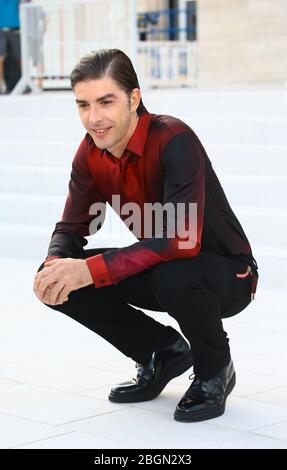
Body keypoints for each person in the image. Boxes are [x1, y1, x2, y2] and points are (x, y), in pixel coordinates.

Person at [33, 49, 259, 423]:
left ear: (134, 98)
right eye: (83, 105)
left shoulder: (174, 138)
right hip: (161, 267)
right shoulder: (91, 152)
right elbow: (72, 228)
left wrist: (90, 270)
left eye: (106, 102)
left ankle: (215, 369)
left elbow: (181, 240)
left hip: (228, 275)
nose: (94, 118)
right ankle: (162, 351)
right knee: (60, 277)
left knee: (173, 273)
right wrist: (57, 263)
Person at [0, 0, 21, 94]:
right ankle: (1, 85)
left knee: (19, 58)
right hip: (1, 31)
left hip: (16, 30)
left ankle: (22, 83)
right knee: (1, 58)